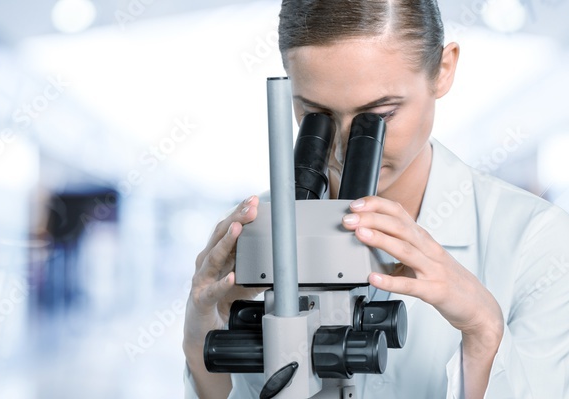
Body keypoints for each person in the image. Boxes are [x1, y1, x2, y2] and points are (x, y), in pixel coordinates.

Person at [183, 1, 569, 398]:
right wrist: (201, 333)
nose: (346, 149)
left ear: (443, 70)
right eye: (316, 114)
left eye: (380, 115)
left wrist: (484, 331)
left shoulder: (536, 240)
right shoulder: (258, 228)